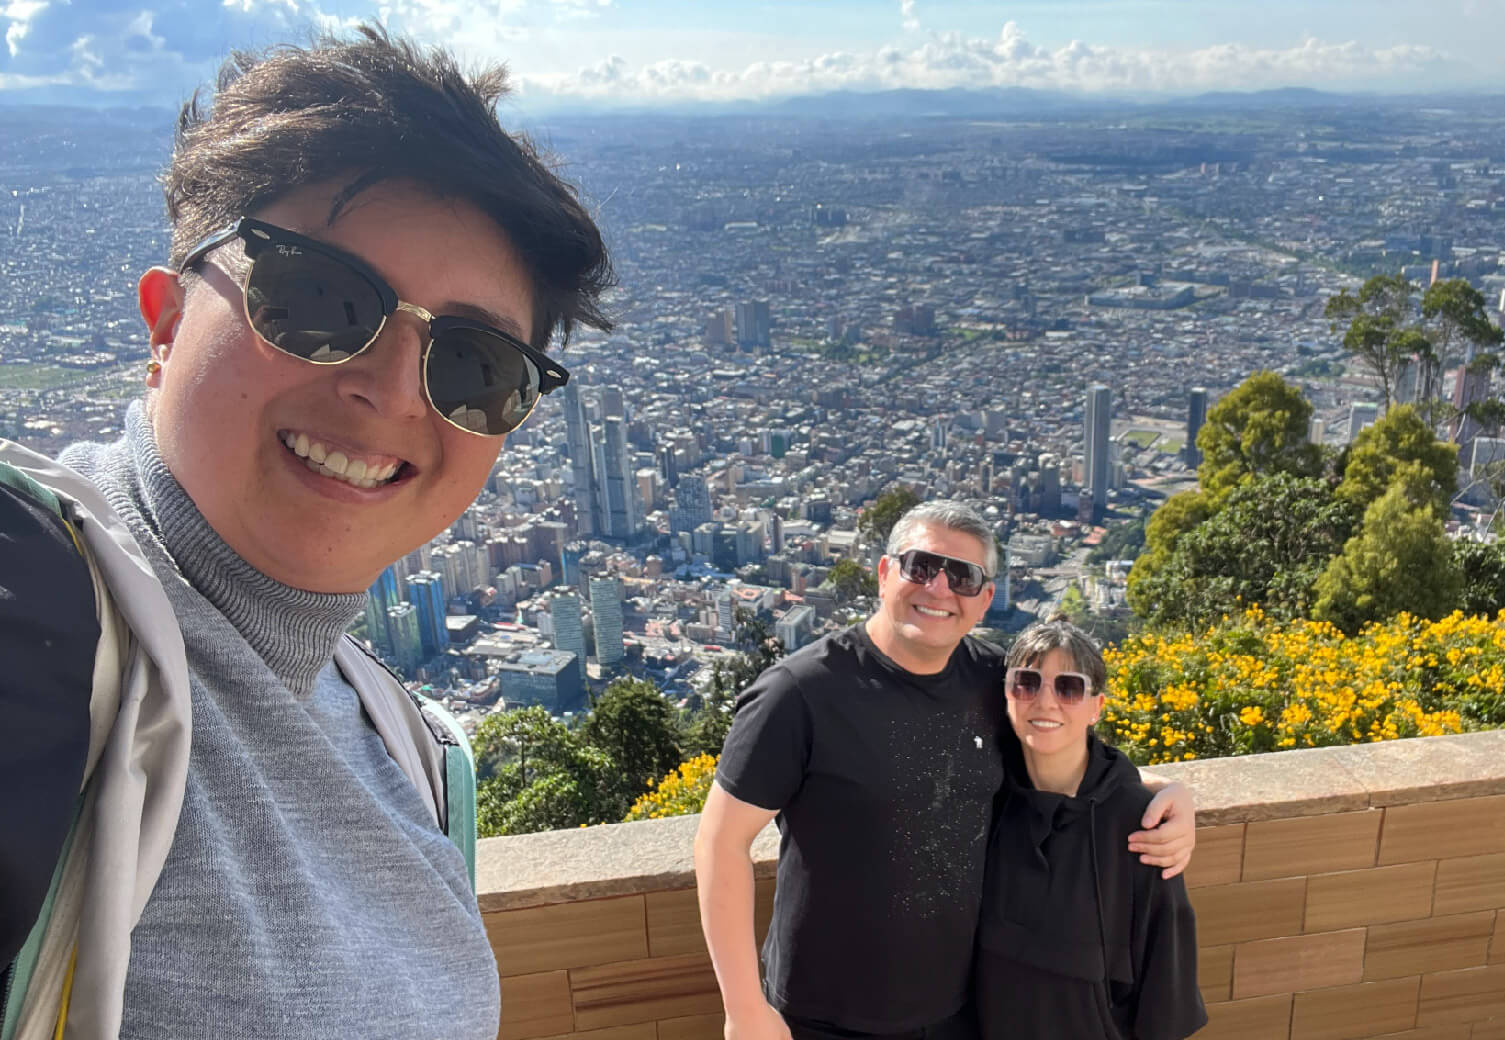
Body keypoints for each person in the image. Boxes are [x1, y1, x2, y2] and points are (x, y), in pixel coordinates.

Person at [0, 26, 614, 1040]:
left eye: (473, 362)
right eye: (317, 300)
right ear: (163, 322)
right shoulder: (39, 614)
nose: (387, 391)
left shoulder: (405, 743)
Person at [695, 500, 1196, 1040]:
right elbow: (720, 844)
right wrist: (745, 1009)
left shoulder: (995, 682)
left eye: (963, 577)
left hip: (959, 1013)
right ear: (886, 573)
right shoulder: (799, 693)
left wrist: (1165, 792)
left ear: (984, 600)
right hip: (822, 1015)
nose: (938, 589)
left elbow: (1060, 754)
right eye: (921, 566)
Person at [975, 619, 1207, 1040]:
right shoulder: (985, 800)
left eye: (1068, 688)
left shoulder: (1142, 826)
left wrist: (1174, 792)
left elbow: (1165, 999)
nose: (1045, 701)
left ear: (1096, 706)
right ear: (1007, 695)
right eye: (1026, 683)